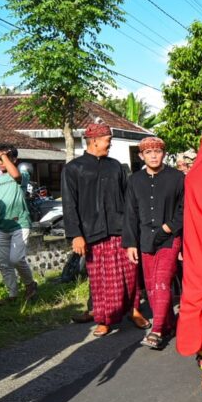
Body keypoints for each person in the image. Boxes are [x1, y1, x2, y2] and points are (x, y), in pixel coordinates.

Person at [62, 123, 150, 337]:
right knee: (100, 278)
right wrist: (76, 235)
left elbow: (129, 200)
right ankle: (104, 319)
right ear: (95, 141)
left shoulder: (116, 167)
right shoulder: (73, 169)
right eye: (107, 141)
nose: (109, 145)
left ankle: (135, 310)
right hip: (92, 233)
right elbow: (69, 204)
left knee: (130, 274)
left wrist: (133, 228)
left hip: (120, 229)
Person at [122, 136, 185, 350]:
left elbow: (184, 209)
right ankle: (168, 324)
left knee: (161, 281)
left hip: (169, 237)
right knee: (150, 286)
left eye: (157, 151)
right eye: (148, 152)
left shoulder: (177, 178)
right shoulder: (134, 180)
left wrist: (168, 228)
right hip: (144, 239)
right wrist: (130, 243)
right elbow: (130, 213)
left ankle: (156, 330)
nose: (153, 155)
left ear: (164, 153)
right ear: (141, 156)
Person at [0, 144, 37, 303]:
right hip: (1, 227)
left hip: (20, 224)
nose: (0, 162)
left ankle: (30, 284)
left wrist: (3, 156)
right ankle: (12, 295)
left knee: (16, 259)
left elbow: (15, 175)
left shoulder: (22, 173)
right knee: (4, 264)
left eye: (3, 158)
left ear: (14, 159)